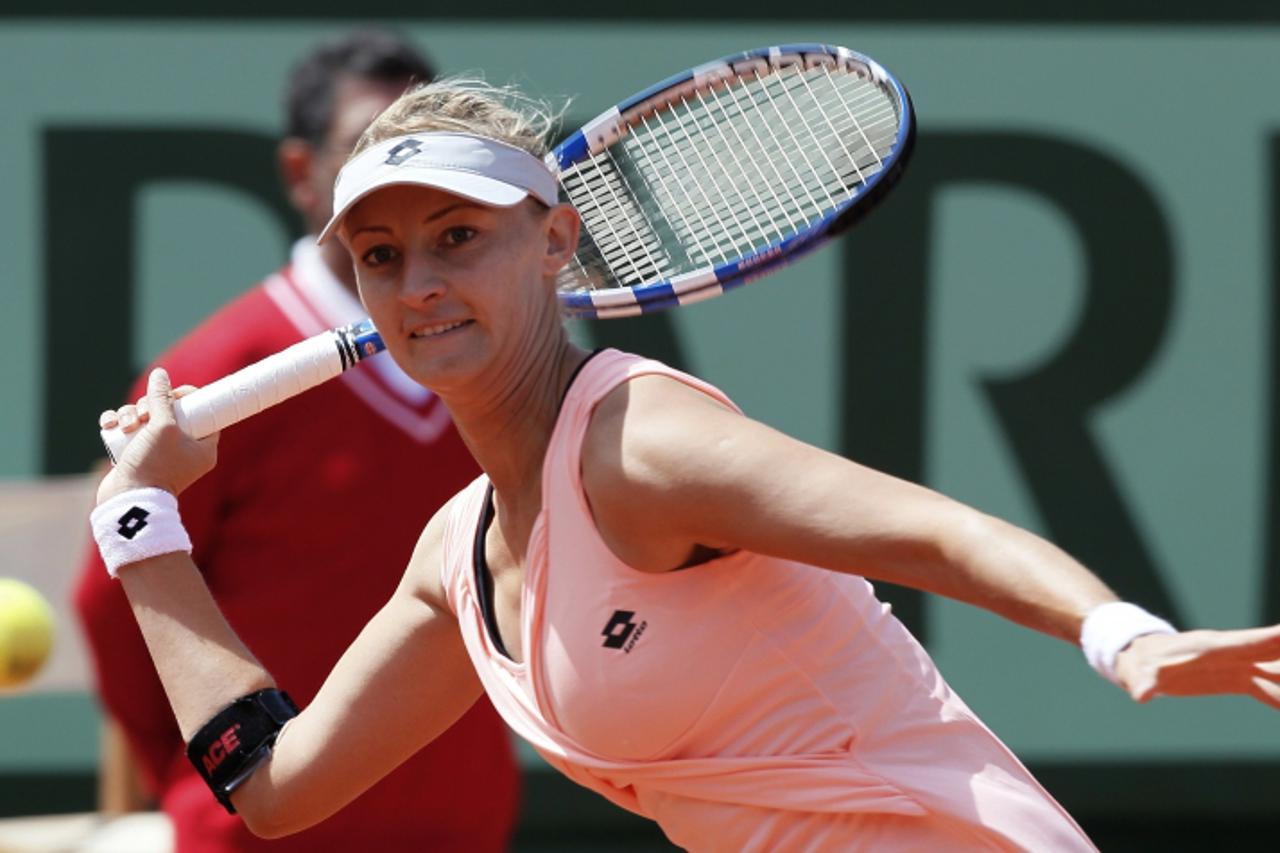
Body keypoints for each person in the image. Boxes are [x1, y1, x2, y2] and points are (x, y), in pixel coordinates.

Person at [88, 78, 1280, 852]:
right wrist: (145, 525)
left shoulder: (636, 445)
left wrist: (1121, 635)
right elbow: (281, 786)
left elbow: (931, 532)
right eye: (382, 256)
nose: (420, 285)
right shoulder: (455, 561)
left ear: (555, 242)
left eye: (458, 239)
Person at [74, 38, 519, 853]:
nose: (399, 179)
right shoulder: (213, 375)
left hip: (464, 830)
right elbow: (116, 605)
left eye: (420, 152)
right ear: (300, 174)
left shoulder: (505, 370)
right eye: (367, 149)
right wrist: (211, 774)